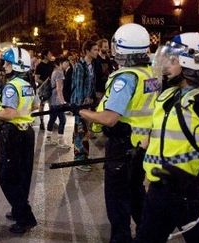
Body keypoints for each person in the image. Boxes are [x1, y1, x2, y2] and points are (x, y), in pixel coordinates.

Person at [133, 32, 199, 243]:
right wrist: (141, 149)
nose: (166, 66)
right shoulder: (170, 96)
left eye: (172, 60)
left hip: (192, 194)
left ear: (193, 63)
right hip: (159, 190)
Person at [78, 23, 159, 243]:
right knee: (135, 193)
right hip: (141, 144)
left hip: (122, 146)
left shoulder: (125, 78)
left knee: (117, 200)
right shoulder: (150, 75)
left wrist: (86, 114)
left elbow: (111, 117)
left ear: (121, 47)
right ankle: (147, 235)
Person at [0, 47, 39, 234]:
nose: (4, 65)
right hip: (27, 132)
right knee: (22, 175)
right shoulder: (28, 85)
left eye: (7, 62)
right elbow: (36, 106)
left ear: (17, 66)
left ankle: (24, 217)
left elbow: (9, 113)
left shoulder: (12, 86)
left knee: (7, 177)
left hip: (13, 135)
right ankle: (17, 208)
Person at [71, 40, 99, 172]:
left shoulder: (91, 65)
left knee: (86, 130)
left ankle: (84, 157)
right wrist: (79, 106)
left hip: (88, 103)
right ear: (87, 51)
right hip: (80, 104)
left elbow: (91, 85)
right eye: (95, 49)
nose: (97, 52)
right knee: (80, 130)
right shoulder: (79, 66)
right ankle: (79, 159)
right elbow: (77, 87)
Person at [45, 57, 70, 149]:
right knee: (62, 120)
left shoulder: (55, 71)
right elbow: (59, 89)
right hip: (57, 101)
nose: (68, 64)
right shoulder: (59, 73)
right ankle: (60, 141)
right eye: (66, 62)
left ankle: (48, 139)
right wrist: (62, 102)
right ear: (61, 63)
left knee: (52, 119)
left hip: (52, 100)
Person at [34, 49, 54, 130]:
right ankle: (41, 121)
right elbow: (36, 78)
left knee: (51, 105)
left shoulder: (51, 64)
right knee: (41, 105)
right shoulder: (39, 66)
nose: (51, 55)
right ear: (45, 55)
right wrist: (45, 82)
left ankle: (51, 121)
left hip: (51, 87)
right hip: (43, 88)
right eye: (49, 54)